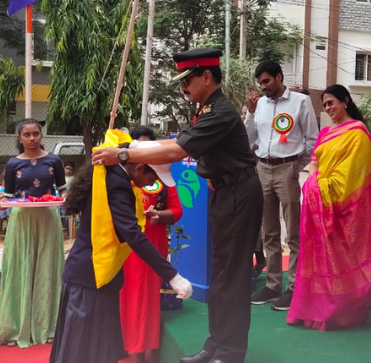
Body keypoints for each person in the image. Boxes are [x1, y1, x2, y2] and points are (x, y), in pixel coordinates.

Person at [92, 48, 263, 363]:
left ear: (207, 77)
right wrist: (128, 144)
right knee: (221, 273)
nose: (183, 87)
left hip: (238, 194)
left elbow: (176, 152)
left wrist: (123, 155)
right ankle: (216, 344)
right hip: (225, 192)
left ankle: (231, 351)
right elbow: (173, 143)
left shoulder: (220, 112)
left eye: (187, 80)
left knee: (232, 276)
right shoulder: (206, 109)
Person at [50, 138, 192, 363]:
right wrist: (172, 276)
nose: (153, 183)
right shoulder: (117, 183)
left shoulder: (112, 175)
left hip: (95, 276)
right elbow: (132, 234)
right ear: (139, 168)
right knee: (81, 352)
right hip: (90, 276)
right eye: (153, 177)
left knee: (95, 350)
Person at [285, 84, 371, 331]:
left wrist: (319, 185)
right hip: (319, 200)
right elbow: (315, 161)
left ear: (345, 101)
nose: (328, 108)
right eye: (325, 105)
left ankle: (339, 311)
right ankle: (315, 308)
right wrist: (314, 182)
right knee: (319, 259)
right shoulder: (326, 132)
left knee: (340, 260)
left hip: (342, 207)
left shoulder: (358, 133)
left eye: (331, 103)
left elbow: (350, 176)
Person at [245, 61, 318, 310]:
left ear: (279, 76)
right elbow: (249, 140)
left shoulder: (300, 101)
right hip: (262, 168)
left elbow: (312, 139)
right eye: (260, 83)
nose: (263, 87)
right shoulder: (259, 105)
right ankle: (273, 286)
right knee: (269, 231)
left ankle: (293, 288)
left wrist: (296, 166)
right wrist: (250, 113)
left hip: (288, 167)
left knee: (293, 231)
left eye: (266, 81)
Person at [0, 118, 68, 348]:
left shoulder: (54, 160)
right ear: (19, 138)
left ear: (41, 135)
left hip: (48, 217)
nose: (32, 138)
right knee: (21, 267)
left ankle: (49, 326)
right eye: (26, 135)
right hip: (22, 220)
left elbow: (63, 190)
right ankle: (17, 327)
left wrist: (66, 199)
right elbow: (8, 195)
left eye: (35, 133)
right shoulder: (12, 164)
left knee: (48, 267)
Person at [120, 126, 184, 363]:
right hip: (127, 244)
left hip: (153, 242)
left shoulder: (161, 177)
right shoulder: (124, 178)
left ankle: (150, 345)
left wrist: (160, 215)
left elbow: (177, 210)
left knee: (148, 296)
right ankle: (129, 345)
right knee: (128, 294)